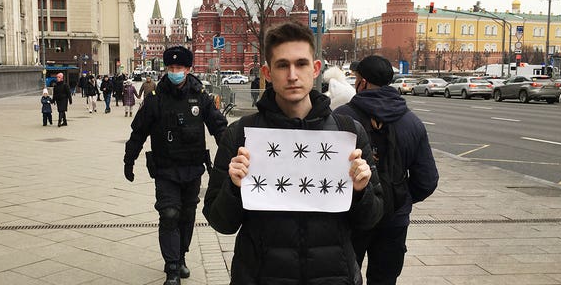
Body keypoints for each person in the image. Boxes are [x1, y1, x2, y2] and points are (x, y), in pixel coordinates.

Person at [203, 21, 383, 284]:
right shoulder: (241, 134)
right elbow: (221, 223)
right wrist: (233, 187)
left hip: (333, 277)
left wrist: (361, 191)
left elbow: (371, 218)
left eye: (301, 64)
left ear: (316, 68)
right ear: (267, 72)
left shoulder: (347, 133)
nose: (292, 75)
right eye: (282, 65)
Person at [123, 46, 228, 285]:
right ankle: (171, 268)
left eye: (179, 68)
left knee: (187, 216)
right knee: (169, 214)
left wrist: (230, 153)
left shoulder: (200, 96)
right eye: (170, 68)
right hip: (165, 169)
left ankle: (180, 257)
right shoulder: (155, 99)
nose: (174, 72)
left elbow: (219, 127)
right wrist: (129, 159)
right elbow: (138, 132)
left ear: (188, 69)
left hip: (192, 168)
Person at [333, 55, 439, 285]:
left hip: (352, 216)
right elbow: (427, 180)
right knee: (385, 279)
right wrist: (399, 196)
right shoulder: (412, 122)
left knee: (344, 278)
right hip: (394, 220)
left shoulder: (342, 118)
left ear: (362, 82)